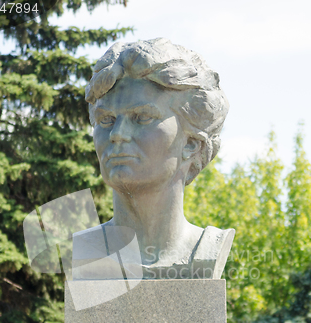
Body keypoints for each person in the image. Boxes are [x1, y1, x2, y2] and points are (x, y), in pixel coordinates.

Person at [73, 38, 234, 279]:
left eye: (142, 117)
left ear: (191, 144)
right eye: (106, 119)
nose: (117, 134)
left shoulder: (206, 252)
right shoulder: (88, 251)